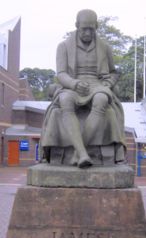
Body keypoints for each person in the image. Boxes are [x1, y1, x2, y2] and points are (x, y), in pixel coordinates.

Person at [40, 9, 126, 168]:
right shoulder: (63, 46)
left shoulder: (105, 47)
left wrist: (108, 83)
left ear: (96, 27)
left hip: (97, 85)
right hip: (72, 85)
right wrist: (74, 84)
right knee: (65, 100)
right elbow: (61, 74)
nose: (87, 32)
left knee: (101, 99)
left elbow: (114, 73)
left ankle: (78, 152)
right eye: (83, 28)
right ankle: (83, 153)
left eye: (91, 29)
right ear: (76, 26)